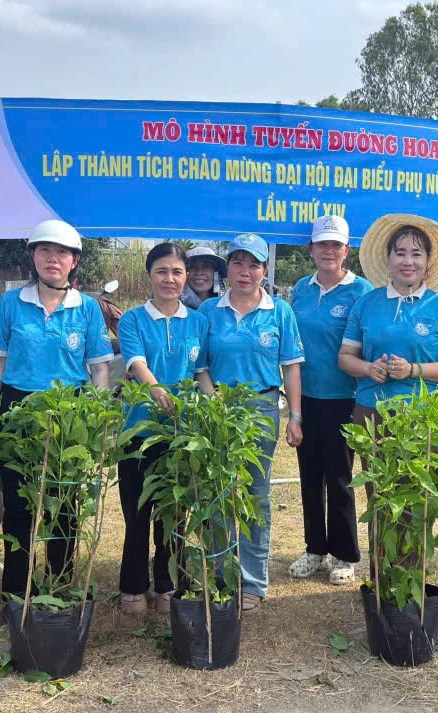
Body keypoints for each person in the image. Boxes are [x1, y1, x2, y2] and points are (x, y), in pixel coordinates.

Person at [0, 219, 114, 597]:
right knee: (18, 503)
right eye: (44, 250)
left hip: (68, 413)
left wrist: (98, 420)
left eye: (62, 252)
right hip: (17, 408)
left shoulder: (87, 308)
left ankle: (59, 585)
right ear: (33, 256)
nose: (52, 258)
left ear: (75, 261)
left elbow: (100, 369)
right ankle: (16, 591)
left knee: (64, 503)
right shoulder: (11, 303)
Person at [200, 233, 304, 614]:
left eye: (254, 264)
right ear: (227, 268)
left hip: (261, 409)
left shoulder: (280, 311)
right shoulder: (209, 311)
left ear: (265, 270)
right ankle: (220, 577)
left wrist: (295, 417)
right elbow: (201, 367)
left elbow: (291, 367)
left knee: (256, 496)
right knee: (218, 495)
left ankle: (253, 582)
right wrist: (213, 400)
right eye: (238, 263)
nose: (245, 272)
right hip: (218, 409)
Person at [116, 243, 214, 615]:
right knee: (137, 511)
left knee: (174, 512)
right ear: (149, 276)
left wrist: (213, 405)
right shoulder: (133, 319)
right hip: (139, 432)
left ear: (185, 276)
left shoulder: (198, 322)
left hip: (181, 433)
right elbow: (136, 362)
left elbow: (200, 371)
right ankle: (133, 584)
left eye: (176, 272)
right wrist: (157, 390)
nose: (169, 279)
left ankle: (168, 581)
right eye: (161, 271)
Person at [288, 215, 372, 586]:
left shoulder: (361, 290)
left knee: (339, 478)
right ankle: (315, 549)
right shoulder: (301, 289)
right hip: (305, 396)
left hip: (345, 397)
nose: (328, 251)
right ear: (311, 249)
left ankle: (344, 554)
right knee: (310, 476)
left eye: (335, 244)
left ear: (346, 250)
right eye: (322, 244)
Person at [339, 214, 438, 425]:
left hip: (426, 417)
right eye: (400, 253)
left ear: (427, 261)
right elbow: (345, 357)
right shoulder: (366, 303)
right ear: (388, 258)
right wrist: (369, 368)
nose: (408, 262)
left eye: (416, 254)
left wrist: (414, 370)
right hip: (371, 411)